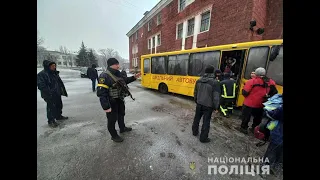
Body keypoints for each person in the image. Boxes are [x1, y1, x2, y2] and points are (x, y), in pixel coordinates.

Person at [97, 58, 141, 142]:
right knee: (112, 119)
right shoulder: (104, 76)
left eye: (118, 64)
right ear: (111, 65)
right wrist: (106, 107)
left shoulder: (117, 74)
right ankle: (114, 135)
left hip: (119, 99)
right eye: (116, 64)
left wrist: (134, 77)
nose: (118, 66)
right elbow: (101, 92)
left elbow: (124, 81)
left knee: (121, 114)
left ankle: (122, 128)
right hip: (111, 101)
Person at [239, 67, 278, 134]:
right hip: (261, 104)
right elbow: (274, 92)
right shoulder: (271, 82)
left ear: (256, 74)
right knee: (257, 118)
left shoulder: (252, 81)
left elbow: (245, 92)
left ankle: (244, 128)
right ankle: (254, 129)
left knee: (246, 116)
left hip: (249, 103)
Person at [192, 65, 221, 143]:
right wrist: (216, 107)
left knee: (196, 118)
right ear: (213, 72)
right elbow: (216, 97)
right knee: (206, 121)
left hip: (199, 103)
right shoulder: (215, 82)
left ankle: (194, 132)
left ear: (205, 71)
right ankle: (203, 138)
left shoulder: (199, 80)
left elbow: (195, 92)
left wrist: (196, 100)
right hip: (208, 106)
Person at [37, 60, 68, 128]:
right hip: (49, 94)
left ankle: (58, 116)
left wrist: (61, 90)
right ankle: (51, 121)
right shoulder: (41, 74)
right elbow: (41, 85)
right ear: (48, 67)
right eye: (52, 66)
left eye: (54, 66)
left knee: (59, 105)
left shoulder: (54, 73)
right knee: (51, 107)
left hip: (57, 92)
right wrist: (49, 92)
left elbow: (59, 82)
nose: (54, 67)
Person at [262, 105, 283, 175]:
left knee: (272, 150)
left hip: (279, 134)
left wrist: (267, 112)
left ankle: (264, 169)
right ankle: (276, 167)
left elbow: (275, 115)